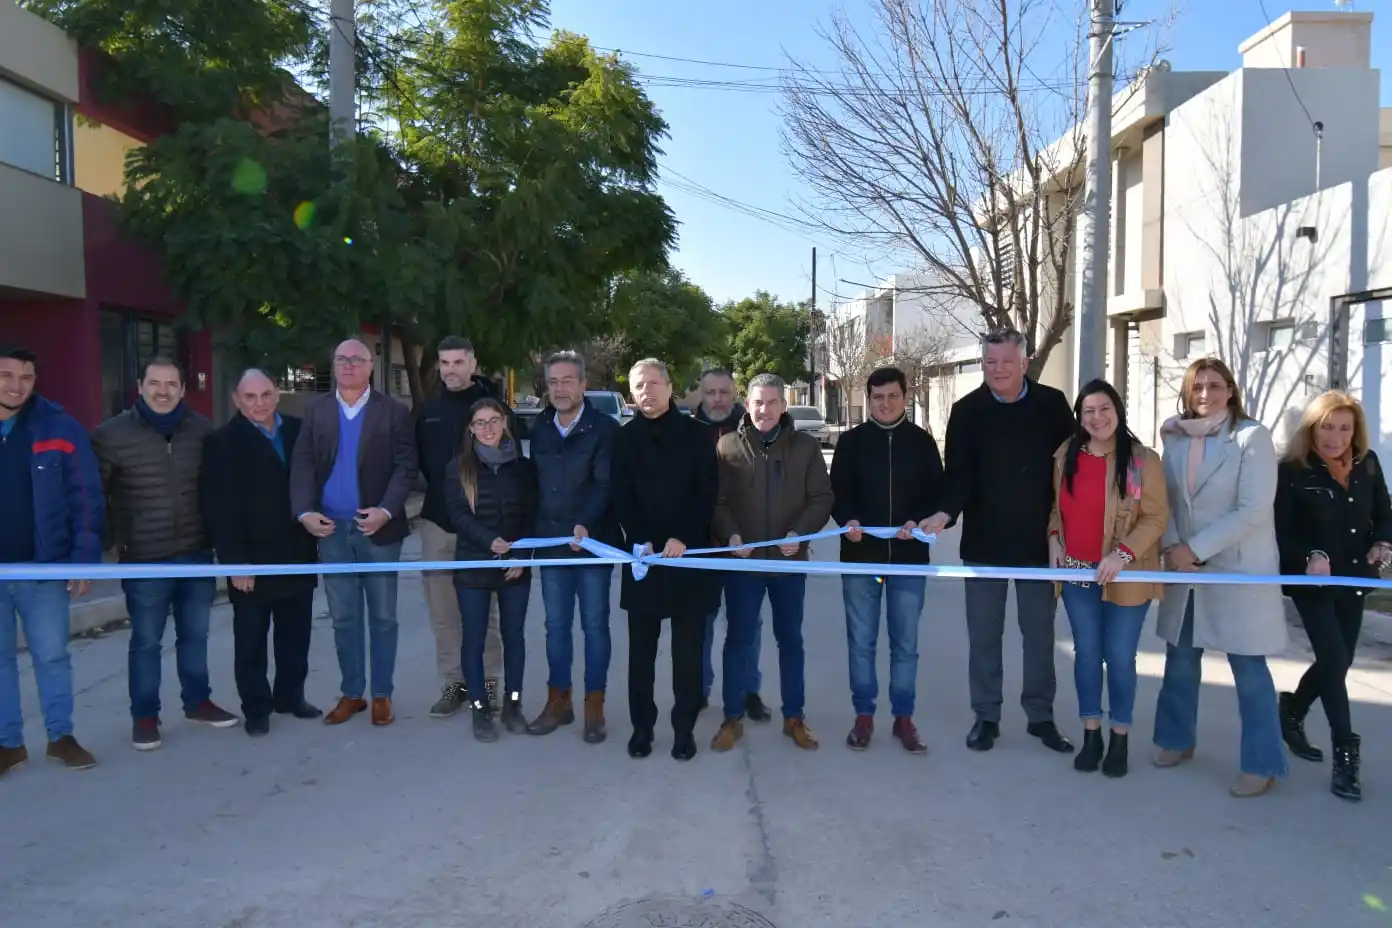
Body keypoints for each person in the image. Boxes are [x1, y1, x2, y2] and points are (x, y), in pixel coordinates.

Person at [922, 328, 1075, 754]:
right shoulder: (967, 411)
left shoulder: (1052, 405)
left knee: (1040, 636)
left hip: (1038, 545)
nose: (998, 370)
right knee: (985, 638)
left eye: (1007, 361)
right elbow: (959, 476)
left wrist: (1065, 532)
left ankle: (1040, 717)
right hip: (985, 546)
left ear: (1025, 363)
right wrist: (945, 513)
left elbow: (1073, 468)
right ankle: (986, 716)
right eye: (990, 362)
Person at [1152, 357, 1288, 798]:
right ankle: (1176, 740)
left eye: (1214, 385)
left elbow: (1252, 509)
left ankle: (1262, 763)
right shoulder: (1174, 441)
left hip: (1237, 569)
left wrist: (1196, 549)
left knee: (1249, 670)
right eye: (1197, 387)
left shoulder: (1252, 438)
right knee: (1180, 660)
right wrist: (1174, 548)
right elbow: (1167, 503)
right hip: (1185, 570)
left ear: (1230, 390)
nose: (1205, 394)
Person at [94, 355, 238, 750]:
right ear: (139, 386)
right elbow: (95, 493)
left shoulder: (202, 431)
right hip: (144, 558)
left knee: (196, 635)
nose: (163, 391)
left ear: (183, 390)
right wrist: (111, 539)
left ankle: (198, 702)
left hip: (195, 553)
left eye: (171, 384)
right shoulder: (111, 435)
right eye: (154, 383)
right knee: (146, 641)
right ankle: (145, 716)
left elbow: (216, 489)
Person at [290, 338, 417, 728]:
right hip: (331, 531)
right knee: (344, 617)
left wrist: (386, 510)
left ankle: (382, 695)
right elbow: (304, 463)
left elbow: (405, 467)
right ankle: (352, 693)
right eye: (340, 358)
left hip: (377, 530)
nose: (347, 365)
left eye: (355, 359)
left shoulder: (393, 411)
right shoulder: (317, 411)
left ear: (369, 366)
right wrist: (304, 512)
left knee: (382, 616)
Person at [1274, 390, 1392, 802]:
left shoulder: (1369, 465)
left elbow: (1384, 516)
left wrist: (1383, 544)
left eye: (1345, 428)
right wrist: (1311, 555)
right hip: (1313, 582)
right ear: (1312, 428)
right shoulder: (1292, 470)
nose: (1336, 437)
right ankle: (1346, 754)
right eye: (1327, 426)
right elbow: (1282, 534)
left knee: (1339, 659)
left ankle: (1292, 710)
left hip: (1357, 578)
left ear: (1355, 432)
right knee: (1335, 658)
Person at [1047, 379, 1168, 778]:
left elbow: (1155, 517)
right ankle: (1091, 733)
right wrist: (1053, 539)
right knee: (1086, 653)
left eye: (1104, 409)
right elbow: (1056, 508)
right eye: (1088, 411)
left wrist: (1123, 552)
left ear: (1118, 410)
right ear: (1079, 417)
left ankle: (1120, 736)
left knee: (1118, 657)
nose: (1097, 418)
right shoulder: (1066, 455)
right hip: (1078, 574)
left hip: (1126, 573)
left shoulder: (1141, 461)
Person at [710, 373, 833, 754]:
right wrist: (730, 535)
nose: (764, 410)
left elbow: (822, 498)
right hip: (743, 566)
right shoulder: (727, 446)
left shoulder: (806, 448)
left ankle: (794, 717)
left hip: (788, 565)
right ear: (747, 404)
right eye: (758, 402)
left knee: (790, 640)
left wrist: (800, 532)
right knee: (738, 640)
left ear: (784, 406)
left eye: (772, 403)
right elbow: (716, 502)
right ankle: (732, 718)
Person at [0, 344, 104, 775]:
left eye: (26, 377)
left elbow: (86, 495)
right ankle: (8, 744)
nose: (16, 386)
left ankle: (60, 736)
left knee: (52, 656)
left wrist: (82, 559)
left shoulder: (58, 426)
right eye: (6, 376)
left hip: (43, 568)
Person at [202, 369, 322, 737]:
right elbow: (219, 507)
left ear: (277, 395)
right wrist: (235, 562)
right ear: (237, 400)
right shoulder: (222, 442)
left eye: (266, 394)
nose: (259, 403)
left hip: (297, 552)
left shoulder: (299, 430)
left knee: (295, 635)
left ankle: (290, 696)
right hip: (250, 560)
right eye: (250, 397)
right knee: (251, 639)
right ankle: (257, 707)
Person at [830, 366, 943, 754]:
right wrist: (849, 521)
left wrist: (919, 520)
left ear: (905, 397)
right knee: (861, 642)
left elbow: (936, 494)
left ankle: (903, 717)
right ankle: (864, 716)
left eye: (893, 396)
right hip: (861, 559)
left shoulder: (923, 443)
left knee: (905, 644)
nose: (885, 403)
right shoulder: (850, 443)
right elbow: (838, 495)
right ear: (869, 399)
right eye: (878, 397)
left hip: (909, 560)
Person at [612, 358, 720, 761]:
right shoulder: (623, 440)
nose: (647, 391)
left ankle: (683, 729)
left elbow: (704, 493)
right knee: (641, 654)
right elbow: (621, 496)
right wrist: (642, 539)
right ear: (632, 392)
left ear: (670, 387)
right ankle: (642, 728)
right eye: (639, 385)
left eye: (654, 383)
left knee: (687, 655)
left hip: (688, 559)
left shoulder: (697, 436)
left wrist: (681, 537)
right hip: (642, 561)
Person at [527, 351, 622, 743]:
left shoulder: (605, 429)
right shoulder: (541, 428)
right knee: (555, 627)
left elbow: (605, 485)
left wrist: (586, 524)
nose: (561, 389)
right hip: (552, 545)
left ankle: (594, 704)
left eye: (568, 381)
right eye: (553, 382)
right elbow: (534, 485)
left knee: (595, 626)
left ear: (583, 385)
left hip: (593, 544)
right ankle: (558, 700)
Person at [415, 336, 504, 718]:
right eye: (444, 363)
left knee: (485, 613)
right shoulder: (428, 412)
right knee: (444, 613)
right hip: (438, 525)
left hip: (483, 529)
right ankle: (454, 685)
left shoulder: (492, 409)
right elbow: (422, 467)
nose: (450, 370)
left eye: (458, 362)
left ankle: (489, 685)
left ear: (473, 364)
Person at [445, 398, 537, 742]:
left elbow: (533, 514)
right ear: (470, 429)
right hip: (474, 563)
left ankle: (513, 703)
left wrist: (522, 553)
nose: (487, 429)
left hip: (515, 566)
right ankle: (480, 708)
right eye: (479, 423)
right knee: (475, 639)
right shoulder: (457, 468)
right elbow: (459, 516)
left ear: (504, 423)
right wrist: (491, 542)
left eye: (493, 421)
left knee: (514, 637)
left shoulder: (523, 467)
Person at [692, 368, 765, 717]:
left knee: (747, 627)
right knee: (701, 624)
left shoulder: (754, 429)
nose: (718, 399)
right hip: (701, 547)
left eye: (724, 392)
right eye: (710, 393)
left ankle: (750, 691)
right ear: (700, 395)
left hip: (745, 547)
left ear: (735, 394)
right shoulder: (688, 433)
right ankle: (700, 690)